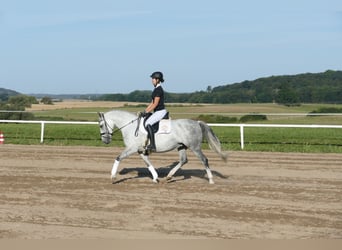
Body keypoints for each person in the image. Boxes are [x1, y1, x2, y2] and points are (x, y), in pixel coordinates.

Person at [140, 71, 167, 153]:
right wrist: (145, 111)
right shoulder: (155, 89)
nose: (152, 80)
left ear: (158, 80)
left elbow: (155, 104)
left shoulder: (158, 90)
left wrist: (147, 111)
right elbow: (152, 102)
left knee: (148, 123)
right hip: (157, 112)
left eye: (153, 79)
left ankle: (152, 145)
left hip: (160, 111)